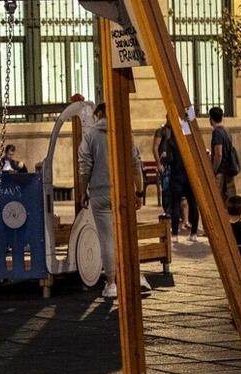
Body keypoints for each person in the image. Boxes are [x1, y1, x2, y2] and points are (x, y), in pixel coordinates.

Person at [78, 103, 149, 300]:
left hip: (100, 192)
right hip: (123, 191)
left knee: (107, 238)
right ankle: (137, 276)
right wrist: (139, 191)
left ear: (99, 114)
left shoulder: (90, 135)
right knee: (127, 236)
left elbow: (84, 167)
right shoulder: (125, 132)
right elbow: (136, 164)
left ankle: (111, 284)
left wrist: (83, 191)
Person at [160, 120, 199, 241]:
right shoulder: (189, 141)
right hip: (190, 176)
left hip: (176, 176)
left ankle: (175, 234)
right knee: (192, 204)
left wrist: (163, 159)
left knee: (175, 204)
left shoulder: (171, 142)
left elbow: (169, 159)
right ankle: (193, 233)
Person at [209, 107, 239, 203]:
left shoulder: (217, 132)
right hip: (229, 168)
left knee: (218, 198)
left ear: (210, 119)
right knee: (229, 196)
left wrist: (214, 170)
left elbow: (218, 154)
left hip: (221, 171)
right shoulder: (226, 130)